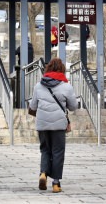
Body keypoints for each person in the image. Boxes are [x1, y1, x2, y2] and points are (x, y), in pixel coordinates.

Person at [28, 57, 77, 194]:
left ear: (48, 69)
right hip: (58, 124)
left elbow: (33, 106)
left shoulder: (38, 86)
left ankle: (43, 173)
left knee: (45, 150)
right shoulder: (66, 86)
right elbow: (73, 106)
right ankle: (56, 183)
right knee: (58, 152)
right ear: (62, 70)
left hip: (42, 123)